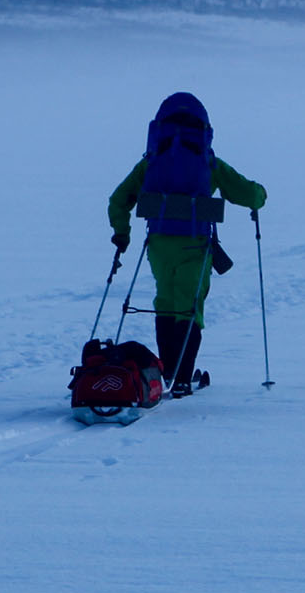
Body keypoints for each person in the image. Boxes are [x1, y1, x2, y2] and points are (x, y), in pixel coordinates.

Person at [107, 92, 266, 396]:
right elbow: (248, 194)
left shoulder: (151, 162)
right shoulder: (208, 162)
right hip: (194, 245)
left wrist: (121, 233)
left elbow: (119, 200)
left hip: (158, 245)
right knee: (190, 308)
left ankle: (168, 372)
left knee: (165, 302)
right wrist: (261, 194)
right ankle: (181, 378)